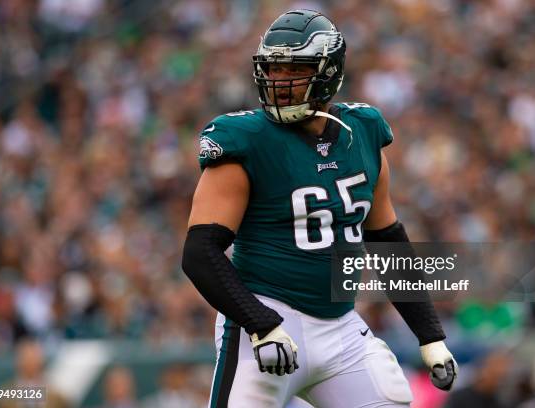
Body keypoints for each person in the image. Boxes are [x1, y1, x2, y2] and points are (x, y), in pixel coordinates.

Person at [182, 9, 457, 408]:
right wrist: (259, 322)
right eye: (272, 70)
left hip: (342, 328)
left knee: (393, 398)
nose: (279, 81)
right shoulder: (246, 140)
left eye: (293, 68)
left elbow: (386, 239)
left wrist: (429, 333)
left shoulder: (363, 131)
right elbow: (199, 253)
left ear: (328, 72)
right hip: (268, 319)